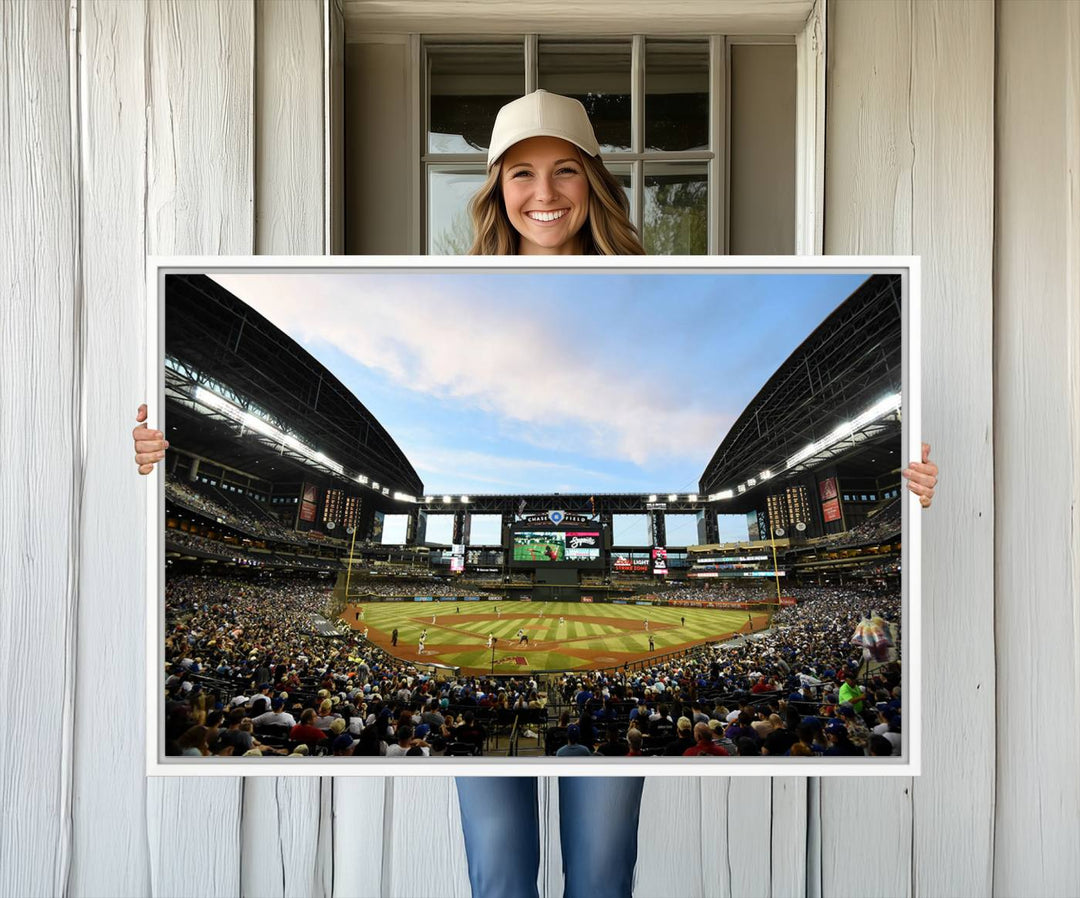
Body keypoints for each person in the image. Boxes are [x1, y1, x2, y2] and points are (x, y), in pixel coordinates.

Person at [133, 89, 939, 898]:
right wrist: (154, 460)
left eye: (564, 171)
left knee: (600, 875)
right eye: (521, 173)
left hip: (596, 733)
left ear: (594, 181)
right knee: (500, 876)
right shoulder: (451, 294)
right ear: (495, 189)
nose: (544, 193)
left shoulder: (654, 289)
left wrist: (913, 489)